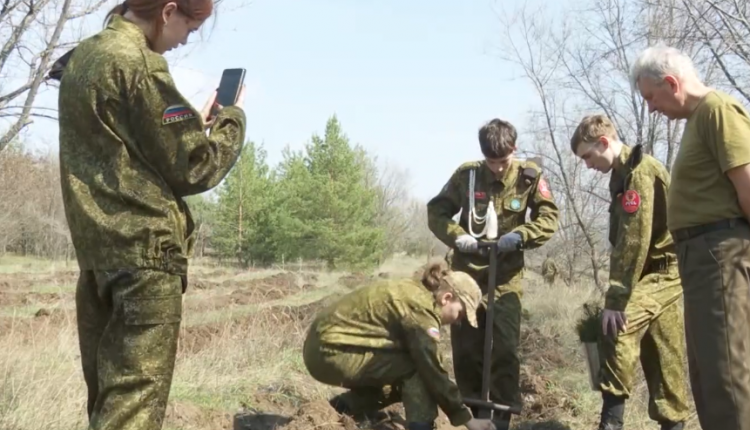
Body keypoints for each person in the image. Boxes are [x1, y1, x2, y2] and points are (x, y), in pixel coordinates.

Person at [48, 1, 247, 429]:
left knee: (107, 406)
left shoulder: (82, 59)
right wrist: (231, 121)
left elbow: (122, 148)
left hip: (98, 258)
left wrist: (187, 122)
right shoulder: (141, 64)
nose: (183, 41)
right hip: (145, 260)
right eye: (189, 29)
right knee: (132, 410)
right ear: (168, 11)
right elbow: (197, 165)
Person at [630, 44, 750, 430]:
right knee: (707, 374)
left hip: (721, 255)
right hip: (700, 260)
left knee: (727, 372)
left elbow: (747, 187)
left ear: (671, 83)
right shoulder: (697, 120)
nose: (651, 108)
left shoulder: (718, 111)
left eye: (651, 97)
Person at [426, 119, 559, 429]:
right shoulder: (467, 176)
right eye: (491, 161)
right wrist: (456, 235)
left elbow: (549, 217)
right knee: (467, 345)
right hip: (467, 273)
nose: (497, 168)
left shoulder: (529, 177)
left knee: (503, 346)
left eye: (503, 161)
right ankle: (473, 416)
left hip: (506, 276)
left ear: (514, 150)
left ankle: (501, 418)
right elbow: (437, 211)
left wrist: (523, 235)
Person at [569, 114, 690, 430]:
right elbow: (621, 240)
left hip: (666, 271)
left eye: (587, 156)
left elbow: (634, 241)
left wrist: (616, 298)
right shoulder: (619, 175)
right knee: (665, 351)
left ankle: (611, 423)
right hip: (647, 273)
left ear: (604, 143)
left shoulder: (639, 171)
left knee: (616, 325)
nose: (587, 165)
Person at [302, 261, 496, 430]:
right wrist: (468, 420)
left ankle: (339, 409)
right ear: (446, 298)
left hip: (326, 348)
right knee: (417, 370)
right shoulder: (420, 309)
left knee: (404, 377)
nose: (457, 321)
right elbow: (431, 369)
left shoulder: (416, 292)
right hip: (329, 352)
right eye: (460, 314)